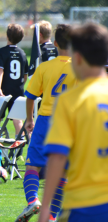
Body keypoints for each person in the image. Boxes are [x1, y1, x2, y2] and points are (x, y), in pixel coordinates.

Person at [39, 23, 108, 222]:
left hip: (85, 205)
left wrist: (45, 210)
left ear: (76, 58)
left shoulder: (70, 101)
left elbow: (57, 157)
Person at [15, 24, 76, 222]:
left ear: (55, 43)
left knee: (32, 166)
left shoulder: (45, 67)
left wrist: (30, 120)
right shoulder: (80, 68)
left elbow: (31, 96)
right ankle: (50, 216)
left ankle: (33, 200)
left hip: (46, 120)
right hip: (69, 123)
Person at [0, 23, 29, 135]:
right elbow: (25, 75)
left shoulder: (1, 52)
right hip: (18, 90)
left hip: (4, 90)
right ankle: (18, 147)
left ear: (7, 36)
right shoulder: (22, 53)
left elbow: (0, 70)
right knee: (18, 120)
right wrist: (19, 84)